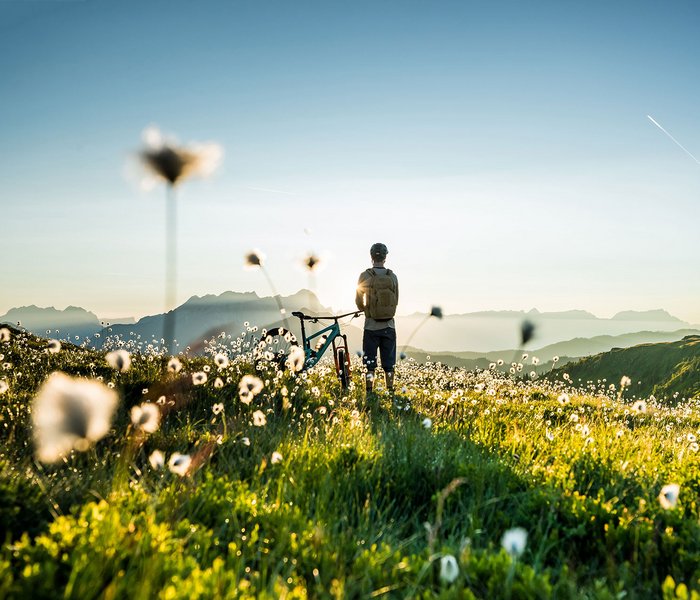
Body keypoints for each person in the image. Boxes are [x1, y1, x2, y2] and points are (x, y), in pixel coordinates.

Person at [355, 242, 399, 393]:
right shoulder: (392, 276)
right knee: (389, 363)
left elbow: (358, 301)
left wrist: (367, 311)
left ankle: (369, 392)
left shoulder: (365, 275)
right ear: (385, 257)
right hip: (389, 326)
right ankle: (391, 391)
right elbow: (396, 300)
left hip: (371, 326)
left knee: (370, 362)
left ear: (371, 256)